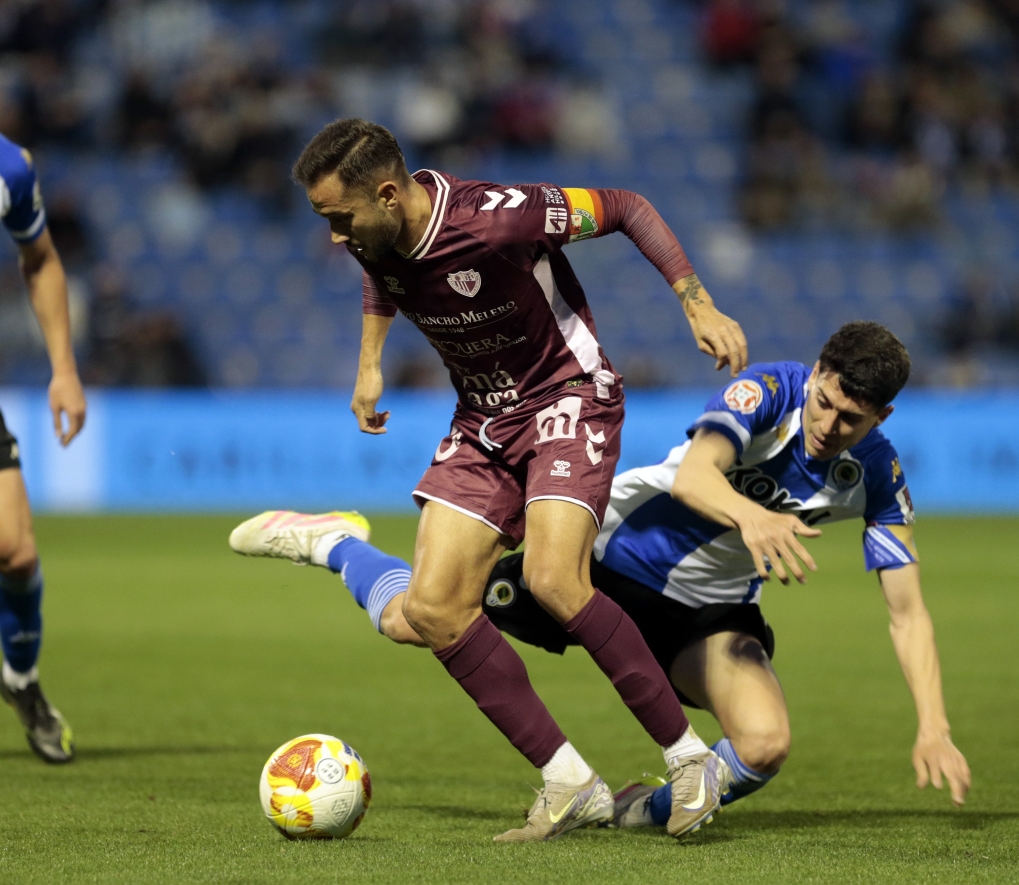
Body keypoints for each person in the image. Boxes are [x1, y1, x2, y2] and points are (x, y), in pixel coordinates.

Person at [231, 321, 972, 833]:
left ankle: (633, 811)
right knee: (419, 617)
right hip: (597, 562)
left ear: (883, 415)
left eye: (852, 418)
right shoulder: (768, 392)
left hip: (708, 611)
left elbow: (907, 612)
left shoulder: (876, 475)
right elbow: (698, 475)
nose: (828, 424)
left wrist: (933, 726)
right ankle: (334, 544)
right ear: (815, 374)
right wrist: (753, 518)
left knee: (766, 742)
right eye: (826, 400)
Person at [232, 119, 749, 841]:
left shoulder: (500, 217)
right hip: (483, 418)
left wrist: (697, 301)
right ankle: (571, 782)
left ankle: (689, 759)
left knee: (553, 579)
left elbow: (627, 205)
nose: (333, 235)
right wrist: (369, 362)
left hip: (569, 395)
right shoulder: (377, 231)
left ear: (387, 193)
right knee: (434, 610)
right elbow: (382, 270)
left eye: (339, 217)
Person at [0, 132, 86, 763]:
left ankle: (21, 682)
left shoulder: (8, 168)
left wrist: (63, 367)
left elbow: (41, 259)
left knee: (17, 553)